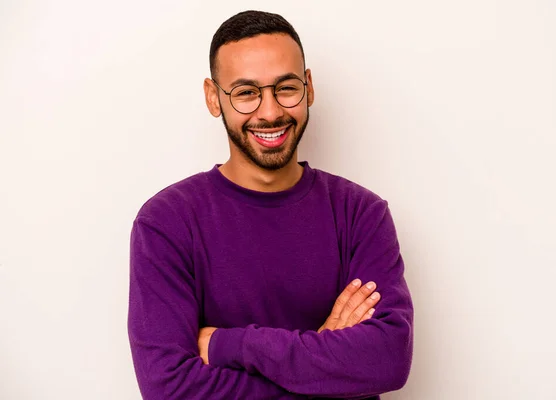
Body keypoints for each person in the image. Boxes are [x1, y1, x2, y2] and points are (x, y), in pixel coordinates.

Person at [128, 10, 414, 400]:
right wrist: (325, 362)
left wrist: (230, 346)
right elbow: (169, 388)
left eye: (286, 88)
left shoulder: (361, 214)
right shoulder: (167, 222)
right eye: (246, 93)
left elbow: (387, 360)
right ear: (214, 98)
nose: (270, 112)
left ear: (309, 87)